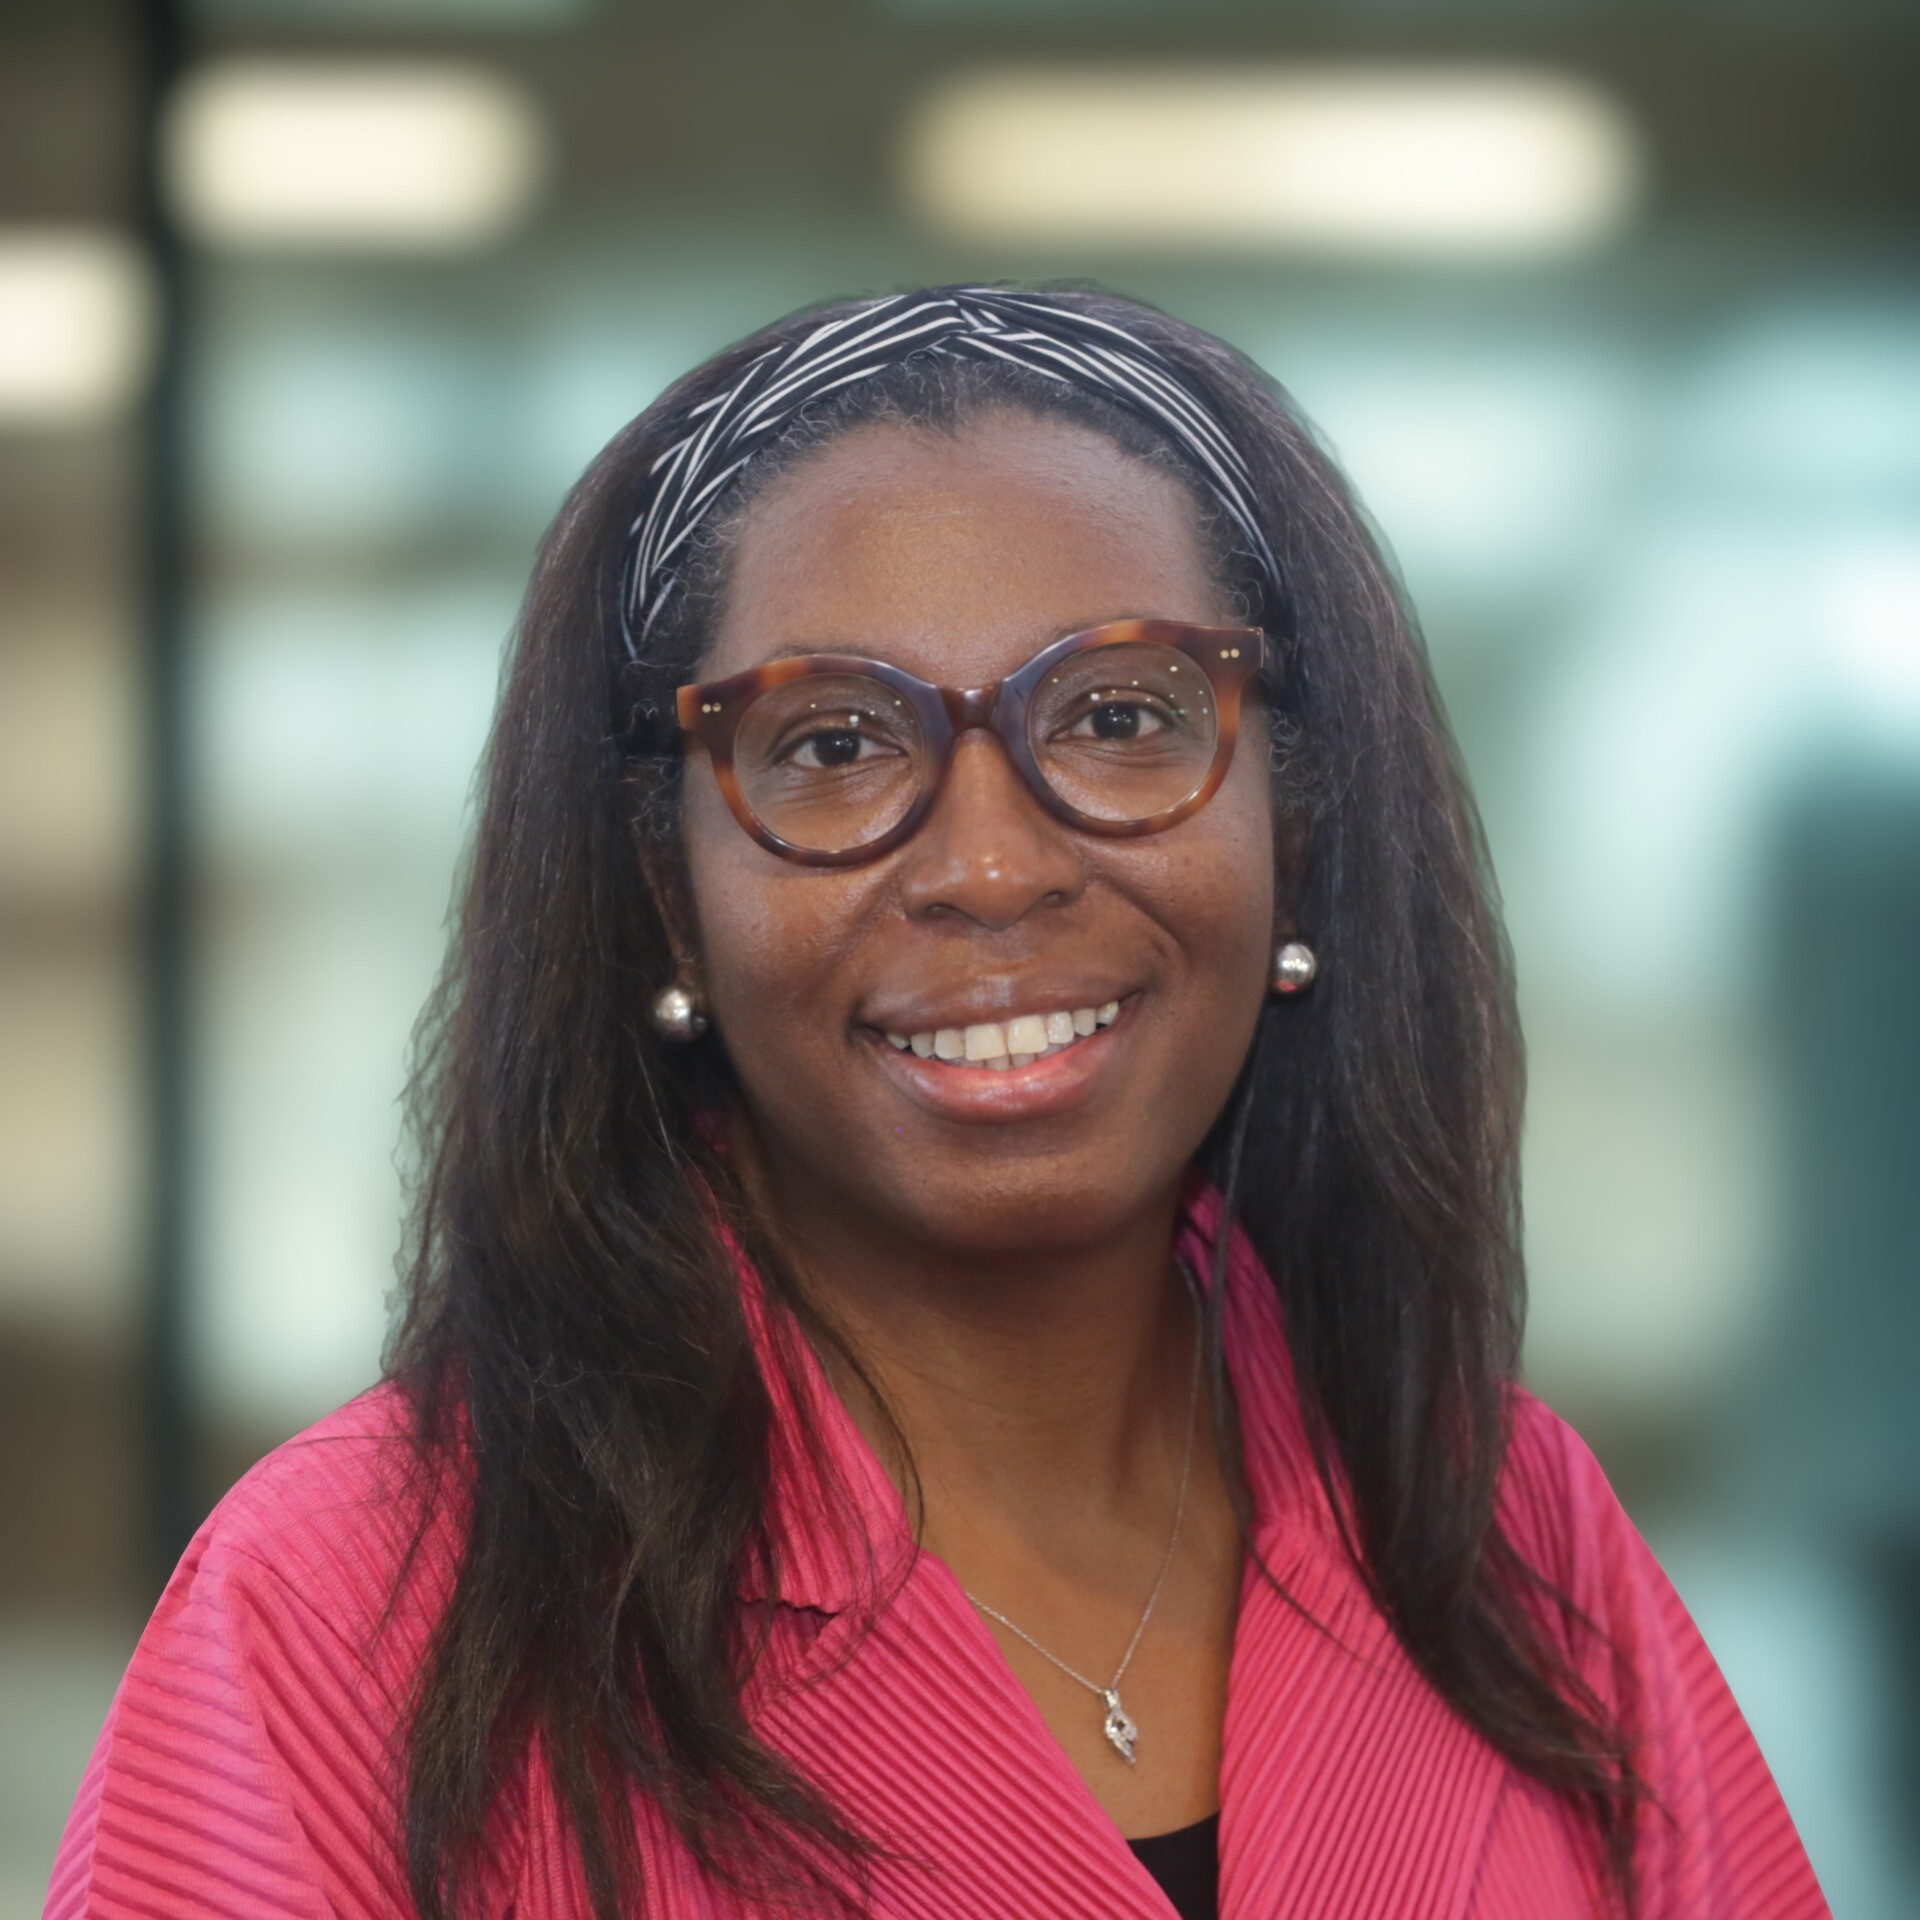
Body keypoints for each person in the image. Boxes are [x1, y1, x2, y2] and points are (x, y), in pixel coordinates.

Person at [45, 286, 1828, 1920]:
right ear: (672, 898)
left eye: (1124, 715)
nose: (990, 863)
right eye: (831, 746)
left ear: (1297, 829)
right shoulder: (355, 1610)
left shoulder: (1496, 1523)